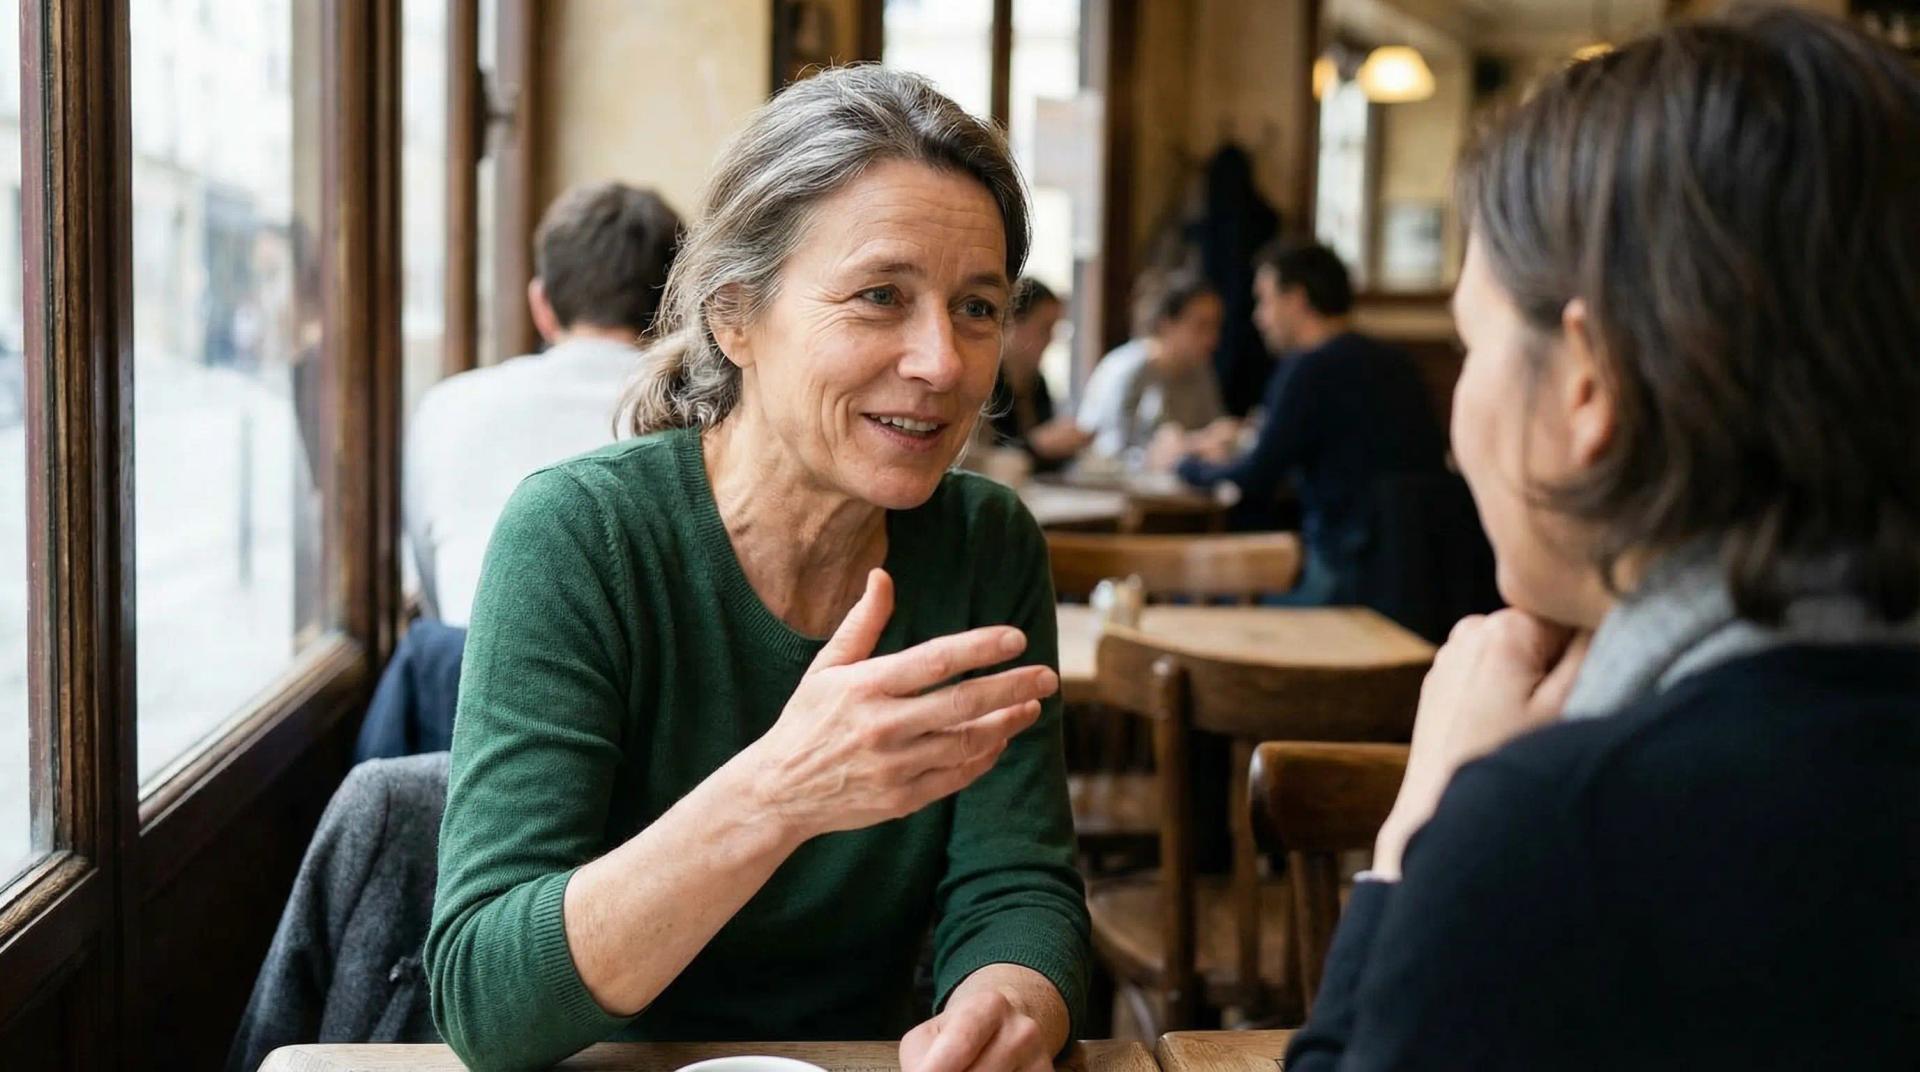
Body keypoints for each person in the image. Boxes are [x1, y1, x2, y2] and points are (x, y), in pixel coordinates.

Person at [1286, 10, 1920, 1068]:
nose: (1454, 437)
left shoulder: (1558, 838)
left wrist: (1421, 838)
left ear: (1590, 382)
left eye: (1472, 342)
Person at [424, 67, 1090, 1072]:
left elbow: (1015, 884)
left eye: (978, 308)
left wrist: (1007, 999)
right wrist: (781, 792)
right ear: (736, 315)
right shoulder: (579, 537)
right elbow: (486, 996)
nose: (943, 362)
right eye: (880, 296)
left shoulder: (984, 543)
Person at [405, 181, 681, 626]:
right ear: (679, 309)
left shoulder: (448, 406)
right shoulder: (699, 418)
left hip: (457, 674)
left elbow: (434, 588)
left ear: (541, 304)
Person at [1155, 241, 1446, 603]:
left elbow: (1254, 477)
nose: (1260, 318)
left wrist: (1183, 463)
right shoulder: (1397, 361)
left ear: (1295, 299)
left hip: (1344, 571)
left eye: (1265, 300)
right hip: (1416, 576)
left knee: (1184, 600)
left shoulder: (1310, 368)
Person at [1074, 267, 1233, 461]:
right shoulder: (1128, 370)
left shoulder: (1200, 371)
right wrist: (1188, 446)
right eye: (1201, 326)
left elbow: (1213, 429)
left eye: (1216, 326)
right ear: (1167, 324)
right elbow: (1112, 449)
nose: (1212, 339)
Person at [986, 278, 1089, 472]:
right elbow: (980, 457)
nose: (1051, 339)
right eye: (1045, 328)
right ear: (1013, 323)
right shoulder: (987, 382)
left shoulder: (1037, 383)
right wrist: (1036, 446)